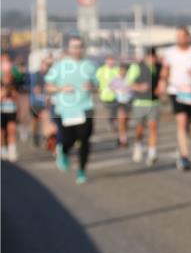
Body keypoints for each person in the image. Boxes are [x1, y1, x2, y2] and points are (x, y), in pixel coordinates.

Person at [45, 36, 98, 184]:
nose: (77, 49)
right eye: (74, 46)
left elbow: (97, 84)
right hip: (66, 109)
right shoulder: (60, 66)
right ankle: (63, 150)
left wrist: (92, 87)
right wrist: (61, 88)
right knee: (69, 139)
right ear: (69, 48)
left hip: (86, 108)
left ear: (83, 48)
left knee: (85, 139)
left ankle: (82, 170)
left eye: (79, 46)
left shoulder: (89, 65)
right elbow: (48, 86)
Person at [157, 26, 191, 171]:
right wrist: (162, 83)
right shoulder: (170, 52)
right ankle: (184, 156)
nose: (180, 39)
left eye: (182, 36)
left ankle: (184, 145)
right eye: (177, 36)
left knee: (187, 124)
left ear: (188, 38)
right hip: (176, 90)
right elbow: (165, 70)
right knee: (181, 120)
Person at [127, 48, 161, 165]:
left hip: (154, 102)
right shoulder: (136, 67)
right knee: (140, 128)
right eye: (150, 57)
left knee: (153, 127)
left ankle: (152, 153)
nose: (152, 59)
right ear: (146, 57)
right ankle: (138, 146)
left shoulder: (158, 67)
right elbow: (128, 82)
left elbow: (164, 78)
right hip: (139, 103)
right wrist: (139, 87)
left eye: (154, 57)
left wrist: (162, 87)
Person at [95, 55, 122, 141]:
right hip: (105, 95)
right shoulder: (101, 70)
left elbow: (122, 80)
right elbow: (96, 80)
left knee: (115, 110)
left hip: (117, 95)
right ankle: (111, 123)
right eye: (109, 60)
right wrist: (97, 88)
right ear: (106, 61)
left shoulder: (117, 69)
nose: (111, 62)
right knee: (110, 110)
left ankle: (113, 123)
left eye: (112, 60)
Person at [108, 62, 133, 147]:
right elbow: (109, 87)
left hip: (129, 102)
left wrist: (129, 90)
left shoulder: (130, 79)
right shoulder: (116, 79)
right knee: (121, 119)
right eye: (120, 70)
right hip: (120, 102)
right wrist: (117, 90)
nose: (122, 72)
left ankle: (122, 135)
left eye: (124, 70)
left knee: (126, 121)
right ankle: (123, 139)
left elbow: (134, 89)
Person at [0, 56, 18, 162]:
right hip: (2, 110)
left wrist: (11, 91)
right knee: (1, 132)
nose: (8, 76)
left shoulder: (14, 84)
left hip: (11, 110)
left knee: (12, 130)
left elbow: (16, 96)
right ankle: (3, 150)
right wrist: (4, 92)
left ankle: (12, 150)